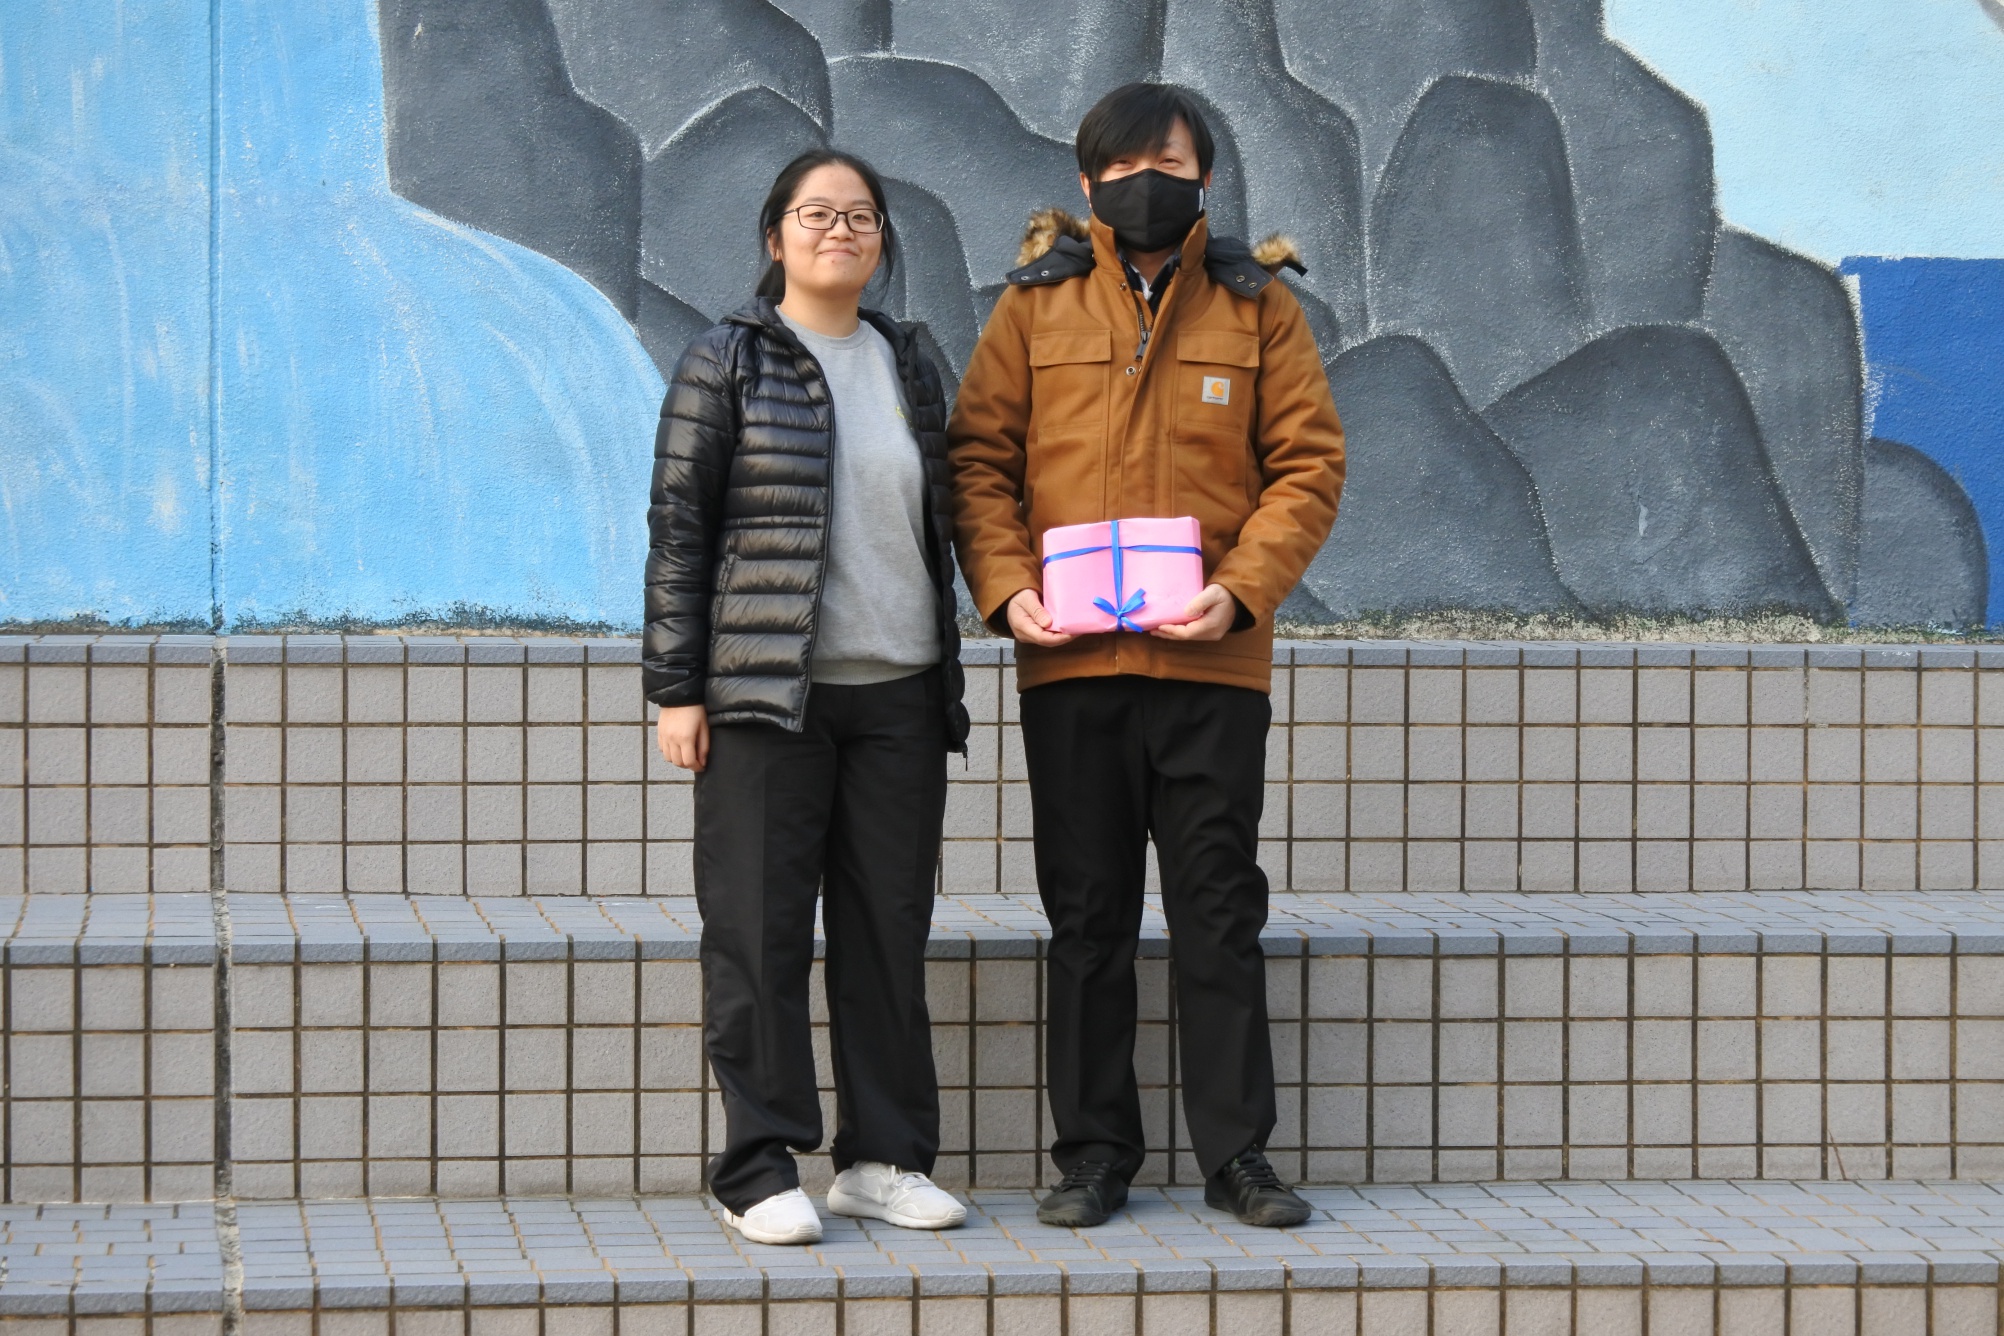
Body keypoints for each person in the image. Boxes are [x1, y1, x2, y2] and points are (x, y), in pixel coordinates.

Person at [949, 83, 1346, 1229]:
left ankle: (1238, 1155)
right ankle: (1093, 1155)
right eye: (1122, 168)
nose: (1145, 183)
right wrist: (1007, 590)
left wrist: (1241, 591)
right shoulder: (1034, 306)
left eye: (1167, 163)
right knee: (1089, 919)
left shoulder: (1259, 306)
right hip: (1073, 667)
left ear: (1205, 178)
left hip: (1213, 668)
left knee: (1219, 911)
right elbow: (977, 460)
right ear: (1088, 184)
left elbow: (1309, 465)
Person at [644, 149, 970, 1246]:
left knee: (887, 933)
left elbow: (950, 513)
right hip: (764, 700)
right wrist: (676, 691)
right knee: (758, 932)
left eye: (862, 216)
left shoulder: (910, 361)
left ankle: (883, 1159)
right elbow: (679, 533)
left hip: (899, 698)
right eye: (818, 214)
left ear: (882, 241)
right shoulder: (724, 360)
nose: (842, 232)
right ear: (775, 234)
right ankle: (757, 1165)